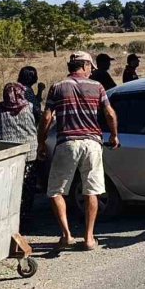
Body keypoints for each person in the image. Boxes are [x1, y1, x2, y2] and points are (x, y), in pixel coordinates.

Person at [38, 51, 119, 251]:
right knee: (92, 190)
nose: (92, 70)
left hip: (67, 143)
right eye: (90, 66)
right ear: (84, 66)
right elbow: (109, 113)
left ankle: (66, 236)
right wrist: (114, 135)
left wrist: (41, 142)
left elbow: (47, 118)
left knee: (56, 191)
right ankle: (89, 238)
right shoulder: (98, 87)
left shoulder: (57, 87)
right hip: (92, 143)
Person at [0, 82, 39, 215]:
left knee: (8, 187)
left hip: (6, 155)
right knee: (27, 188)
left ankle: (9, 214)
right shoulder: (30, 107)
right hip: (29, 154)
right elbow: (38, 124)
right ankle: (25, 217)